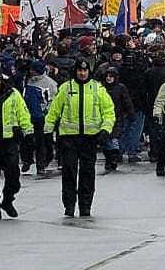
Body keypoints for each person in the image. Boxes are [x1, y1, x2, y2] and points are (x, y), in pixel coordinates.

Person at [44, 60, 115, 217]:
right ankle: (69, 205)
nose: (82, 74)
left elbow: (109, 111)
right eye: (79, 71)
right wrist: (47, 131)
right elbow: (54, 110)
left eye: (85, 71)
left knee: (87, 173)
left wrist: (105, 130)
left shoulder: (98, 89)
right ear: (75, 71)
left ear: (89, 72)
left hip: (90, 138)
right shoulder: (66, 88)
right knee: (69, 171)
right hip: (69, 137)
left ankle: (85, 206)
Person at [0, 71, 33, 219]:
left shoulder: (13, 94)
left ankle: (8, 200)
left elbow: (23, 113)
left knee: (13, 176)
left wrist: (28, 132)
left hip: (9, 141)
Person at [21, 60, 58, 175]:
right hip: (27, 115)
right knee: (27, 140)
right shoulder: (26, 79)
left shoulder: (50, 84)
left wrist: (47, 112)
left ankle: (41, 164)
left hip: (42, 117)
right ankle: (27, 160)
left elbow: (53, 100)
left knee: (42, 141)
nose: (31, 71)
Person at [100, 67, 135, 172]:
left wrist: (131, 113)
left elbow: (127, 101)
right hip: (103, 118)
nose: (108, 78)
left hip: (117, 117)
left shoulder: (120, 88)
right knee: (106, 141)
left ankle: (115, 157)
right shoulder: (101, 88)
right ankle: (109, 159)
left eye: (111, 76)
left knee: (115, 139)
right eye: (107, 76)